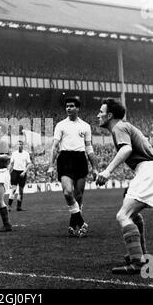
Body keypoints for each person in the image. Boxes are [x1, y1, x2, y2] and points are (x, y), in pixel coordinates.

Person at [96, 98, 153, 274]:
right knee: (130, 209)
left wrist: (107, 172)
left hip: (150, 171)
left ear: (110, 115)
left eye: (101, 111)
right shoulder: (125, 127)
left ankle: (138, 263)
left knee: (123, 215)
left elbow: (126, 150)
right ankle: (141, 255)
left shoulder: (119, 127)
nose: (97, 114)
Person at [47, 97, 98, 237]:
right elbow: (55, 146)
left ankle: (72, 225)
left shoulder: (85, 126)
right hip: (65, 159)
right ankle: (82, 223)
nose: (68, 108)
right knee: (68, 192)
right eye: (67, 106)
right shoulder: (60, 125)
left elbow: (89, 147)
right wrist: (51, 165)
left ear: (77, 108)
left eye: (71, 106)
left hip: (80, 159)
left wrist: (95, 168)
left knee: (79, 195)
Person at [8, 140, 32, 211]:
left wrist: (24, 172)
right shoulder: (14, 154)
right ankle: (9, 206)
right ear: (17, 146)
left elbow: (29, 164)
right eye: (18, 144)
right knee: (13, 189)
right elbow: (11, 164)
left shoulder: (26, 154)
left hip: (22, 173)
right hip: (15, 172)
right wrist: (8, 172)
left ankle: (18, 207)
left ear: (23, 145)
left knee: (21, 191)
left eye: (21, 144)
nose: (20, 146)